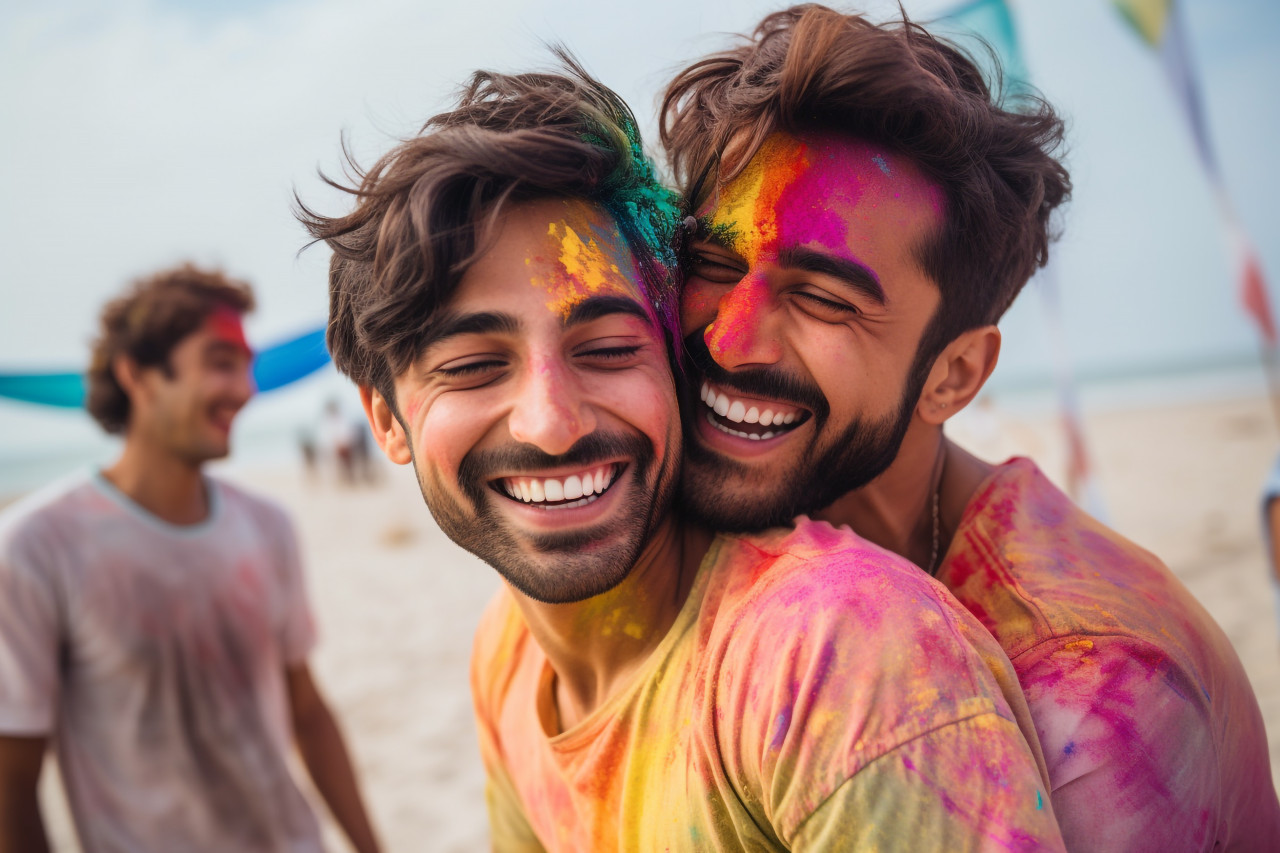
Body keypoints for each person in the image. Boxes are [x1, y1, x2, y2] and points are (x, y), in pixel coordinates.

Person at [300, 57, 1066, 852]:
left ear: (674, 362)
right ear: (385, 419)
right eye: (471, 367)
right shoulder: (511, 652)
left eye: (605, 348)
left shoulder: (843, 660)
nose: (552, 425)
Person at [660, 6, 1280, 850]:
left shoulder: (1093, 695)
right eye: (714, 264)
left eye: (823, 299)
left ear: (953, 375)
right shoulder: (701, 539)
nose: (729, 339)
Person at [0, 265, 381, 853]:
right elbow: (13, 779)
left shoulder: (267, 526)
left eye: (246, 365)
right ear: (139, 375)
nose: (245, 389)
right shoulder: (36, 545)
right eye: (220, 362)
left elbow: (306, 709)